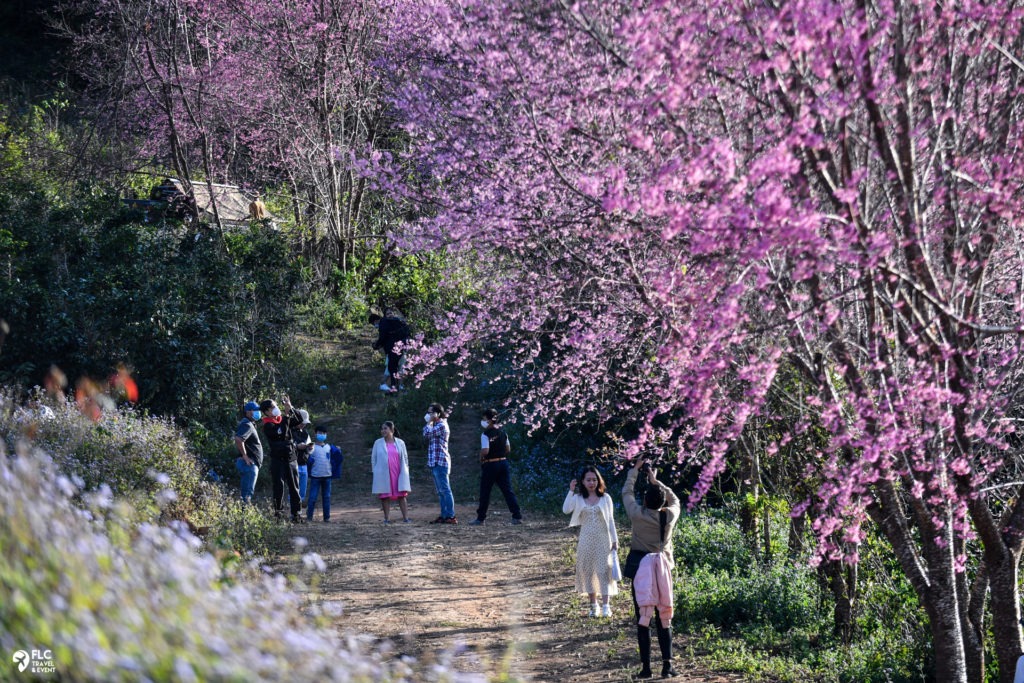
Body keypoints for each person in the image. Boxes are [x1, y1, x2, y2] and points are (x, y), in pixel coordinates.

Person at [622, 457, 681, 679]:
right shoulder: (669, 516)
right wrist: (657, 481)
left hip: (642, 570)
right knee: (664, 616)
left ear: (645, 501)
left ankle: (646, 668)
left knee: (643, 618)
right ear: (662, 502)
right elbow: (675, 499)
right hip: (663, 569)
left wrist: (635, 472)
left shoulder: (637, 515)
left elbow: (627, 494)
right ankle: (667, 666)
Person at [563, 466, 618, 617]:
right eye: (588, 480)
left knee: (603, 571)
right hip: (586, 538)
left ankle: (606, 606)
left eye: (594, 479)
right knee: (587, 571)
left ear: (599, 481)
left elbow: (611, 520)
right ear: (583, 481)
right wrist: (571, 491)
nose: (592, 483)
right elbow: (566, 509)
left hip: (603, 538)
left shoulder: (606, 498)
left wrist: (615, 540)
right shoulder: (578, 498)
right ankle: (594, 605)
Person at [469, 409, 523, 526]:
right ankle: (517, 516)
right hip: (503, 463)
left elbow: (485, 450)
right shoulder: (503, 433)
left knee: (485, 491)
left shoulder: (485, 434)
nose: (482, 421)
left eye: (484, 419)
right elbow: (508, 449)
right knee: (508, 490)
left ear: (489, 420)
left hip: (490, 464)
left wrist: (480, 456)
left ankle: (481, 518)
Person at [260, 395, 304, 522]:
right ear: (267, 411)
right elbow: (281, 433)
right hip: (278, 460)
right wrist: (287, 417)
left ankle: (297, 514)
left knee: (294, 487)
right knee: (278, 488)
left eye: (276, 406)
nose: (276, 409)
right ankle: (278, 514)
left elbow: (298, 421)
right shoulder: (268, 425)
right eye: (273, 407)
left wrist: (290, 409)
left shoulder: (283, 419)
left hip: (291, 459)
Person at [371, 421, 412, 523]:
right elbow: (373, 458)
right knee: (385, 496)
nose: (383, 431)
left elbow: (405, 457)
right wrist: (375, 471)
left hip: (398, 473)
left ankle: (406, 518)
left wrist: (406, 469)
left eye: (385, 428)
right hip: (383, 474)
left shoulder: (400, 443)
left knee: (402, 496)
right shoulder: (378, 443)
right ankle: (387, 518)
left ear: (392, 430)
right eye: (382, 429)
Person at [423, 403, 457, 524]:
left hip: (441, 461)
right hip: (434, 461)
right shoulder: (434, 425)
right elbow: (425, 433)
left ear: (438, 413)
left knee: (445, 489)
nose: (429, 415)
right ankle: (444, 515)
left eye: (431, 412)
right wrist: (430, 423)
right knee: (440, 491)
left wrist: (429, 423)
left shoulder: (442, 425)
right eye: (428, 412)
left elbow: (428, 433)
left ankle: (451, 516)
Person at [369, 311, 410, 393]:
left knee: (392, 368)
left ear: (375, 321)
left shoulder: (383, 323)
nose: (375, 326)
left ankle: (393, 388)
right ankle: (400, 387)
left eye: (373, 324)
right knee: (401, 367)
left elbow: (383, 338)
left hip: (393, 349)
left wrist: (376, 345)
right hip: (403, 345)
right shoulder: (393, 320)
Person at [306, 425, 340, 522]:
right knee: (312, 497)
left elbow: (335, 458)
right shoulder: (312, 447)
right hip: (315, 476)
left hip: (327, 476)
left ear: (326, 435)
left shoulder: (329, 447)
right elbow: (308, 456)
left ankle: (327, 518)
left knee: (327, 497)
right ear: (315, 434)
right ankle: (309, 517)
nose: (321, 435)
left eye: (323, 433)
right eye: (319, 433)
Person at [234, 400, 263, 503]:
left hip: (251, 465)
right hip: (249, 465)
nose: (257, 412)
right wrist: (245, 456)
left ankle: (244, 515)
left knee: (247, 493)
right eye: (254, 410)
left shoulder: (250, 424)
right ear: (247, 412)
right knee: (246, 495)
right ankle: (244, 517)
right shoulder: (247, 424)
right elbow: (238, 439)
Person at [293, 409, 313, 502]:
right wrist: (296, 447)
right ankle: (293, 508)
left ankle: (300, 508)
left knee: (303, 489)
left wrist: (310, 448)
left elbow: (310, 448)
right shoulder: (289, 431)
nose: (303, 425)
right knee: (293, 488)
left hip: (304, 463)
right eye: (302, 422)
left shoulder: (305, 433)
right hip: (293, 463)